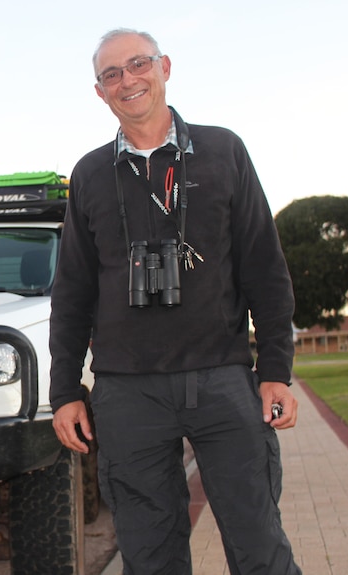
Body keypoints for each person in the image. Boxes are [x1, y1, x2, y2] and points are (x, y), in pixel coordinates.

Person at [50, 28, 302, 574]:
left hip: (223, 381)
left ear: (165, 67)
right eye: (111, 74)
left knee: (259, 544)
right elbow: (72, 290)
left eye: (138, 64)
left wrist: (276, 369)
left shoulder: (223, 150)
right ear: (100, 92)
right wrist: (65, 388)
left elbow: (264, 266)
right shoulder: (90, 174)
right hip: (127, 392)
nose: (127, 80)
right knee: (149, 554)